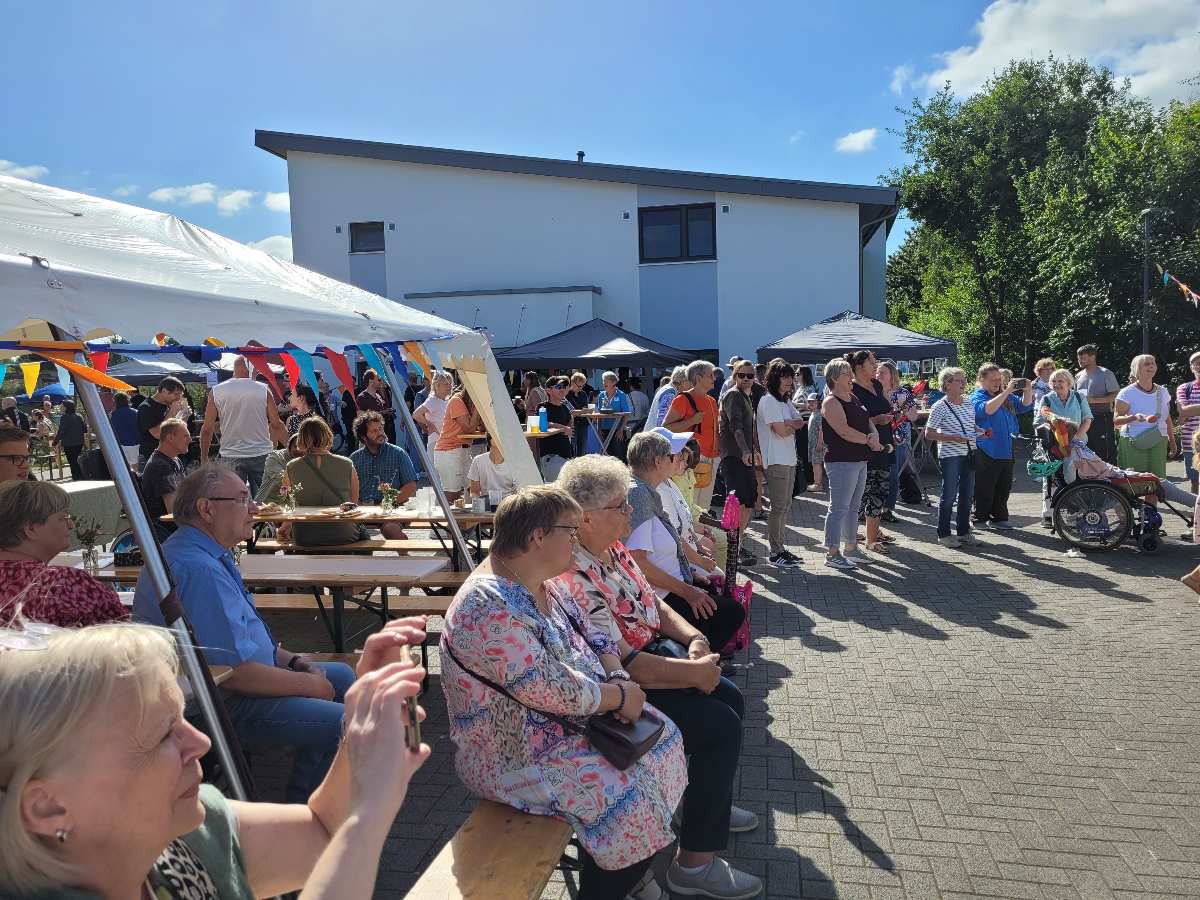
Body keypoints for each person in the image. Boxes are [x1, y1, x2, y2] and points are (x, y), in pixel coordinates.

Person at [0, 618, 431, 900]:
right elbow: (338, 836)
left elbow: (321, 836)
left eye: (180, 718)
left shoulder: (185, 834)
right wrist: (371, 810)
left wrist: (360, 737)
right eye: (161, 734)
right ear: (47, 805)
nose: (199, 743)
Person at [440, 485, 686, 900]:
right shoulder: (485, 606)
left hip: (566, 729)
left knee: (665, 744)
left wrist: (618, 679)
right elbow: (545, 688)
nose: (578, 540)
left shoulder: (540, 580)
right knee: (628, 795)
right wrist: (620, 699)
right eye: (571, 532)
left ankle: (626, 872)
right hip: (509, 753)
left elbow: (592, 628)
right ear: (538, 536)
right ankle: (612, 884)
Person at [554, 455, 764, 900]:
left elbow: (653, 604)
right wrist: (689, 671)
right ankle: (693, 864)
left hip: (650, 657)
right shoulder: (572, 572)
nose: (631, 511)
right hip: (622, 685)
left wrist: (693, 639)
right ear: (586, 518)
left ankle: (699, 807)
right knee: (720, 724)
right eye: (620, 506)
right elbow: (623, 663)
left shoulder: (611, 548)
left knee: (730, 700)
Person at [133, 464, 358, 802]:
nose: (254, 507)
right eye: (242, 499)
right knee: (345, 723)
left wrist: (294, 661)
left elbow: (244, 641)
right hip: (214, 705)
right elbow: (235, 675)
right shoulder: (198, 569)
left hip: (232, 687)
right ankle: (301, 818)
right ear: (206, 509)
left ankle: (309, 792)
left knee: (339, 676)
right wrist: (308, 684)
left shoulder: (203, 554)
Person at [625, 431, 746, 652]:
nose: (679, 458)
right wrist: (687, 590)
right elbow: (636, 562)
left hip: (671, 586)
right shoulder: (640, 495)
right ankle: (697, 664)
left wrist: (692, 575)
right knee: (732, 612)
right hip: (660, 598)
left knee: (719, 595)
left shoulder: (648, 490)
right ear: (658, 461)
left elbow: (670, 537)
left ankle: (700, 659)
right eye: (673, 456)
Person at [0, 480, 127, 628]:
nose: (71, 525)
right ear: (31, 529)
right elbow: (126, 634)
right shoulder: (63, 583)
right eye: (63, 518)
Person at [820, 357, 881, 570]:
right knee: (838, 508)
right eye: (847, 373)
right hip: (841, 462)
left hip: (860, 459)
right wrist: (868, 440)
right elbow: (843, 430)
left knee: (854, 507)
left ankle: (851, 547)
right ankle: (832, 552)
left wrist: (874, 437)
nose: (851, 377)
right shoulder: (830, 402)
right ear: (835, 378)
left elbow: (867, 421)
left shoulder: (852, 396)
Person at [199, 359, 287, 497]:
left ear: (234, 369)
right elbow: (276, 424)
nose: (257, 371)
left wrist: (204, 459)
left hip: (231, 455)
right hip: (261, 452)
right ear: (251, 368)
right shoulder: (263, 389)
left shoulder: (217, 391)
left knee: (232, 501)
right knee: (272, 499)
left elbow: (207, 429)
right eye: (256, 368)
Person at [924, 367, 982, 549]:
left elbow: (971, 426)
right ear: (947, 384)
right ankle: (944, 534)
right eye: (959, 380)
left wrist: (981, 432)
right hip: (950, 456)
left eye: (964, 379)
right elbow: (929, 434)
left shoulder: (968, 403)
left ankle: (964, 532)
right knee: (948, 495)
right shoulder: (939, 406)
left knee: (967, 494)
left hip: (969, 452)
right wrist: (952, 438)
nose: (964, 383)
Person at [971, 362, 1033, 529]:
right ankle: (979, 518)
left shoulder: (1006, 395)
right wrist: (1006, 391)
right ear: (981, 380)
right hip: (987, 447)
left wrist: (1028, 389)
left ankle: (999, 518)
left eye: (999, 379)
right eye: (993, 380)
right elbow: (987, 410)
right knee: (985, 485)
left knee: (1004, 484)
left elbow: (1025, 405)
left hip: (1007, 446)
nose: (997, 383)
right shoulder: (978, 396)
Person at [284, 417, 364, 547]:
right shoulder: (347, 464)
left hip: (304, 535)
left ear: (301, 438)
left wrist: (285, 527)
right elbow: (352, 504)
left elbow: (289, 505)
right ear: (327, 435)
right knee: (365, 535)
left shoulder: (291, 467)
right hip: (343, 533)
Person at [846, 352, 897, 554]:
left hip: (883, 445)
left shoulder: (876, 385)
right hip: (864, 449)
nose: (876, 365)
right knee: (860, 495)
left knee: (879, 492)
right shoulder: (851, 389)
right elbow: (853, 421)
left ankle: (872, 538)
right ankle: (850, 535)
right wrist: (876, 421)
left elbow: (883, 407)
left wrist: (889, 421)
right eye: (871, 362)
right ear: (859, 366)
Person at [756, 359, 803, 567]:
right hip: (776, 461)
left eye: (790, 377)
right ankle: (775, 553)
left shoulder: (785, 401)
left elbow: (799, 421)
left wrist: (789, 424)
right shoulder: (768, 401)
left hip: (789, 460)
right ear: (774, 378)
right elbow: (782, 431)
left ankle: (780, 548)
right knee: (778, 508)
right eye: (784, 377)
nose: (789, 381)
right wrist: (790, 425)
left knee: (784, 506)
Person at [1036, 369, 1093, 526]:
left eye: (1060, 381)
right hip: (1054, 446)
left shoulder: (1079, 397)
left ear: (1069, 382)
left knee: (1073, 476)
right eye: (1054, 381)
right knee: (1050, 477)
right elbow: (1039, 421)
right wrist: (1053, 425)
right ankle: (1048, 514)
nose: (1057, 384)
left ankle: (1073, 510)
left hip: (1077, 443)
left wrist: (1076, 438)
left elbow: (1087, 419)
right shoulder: (1047, 399)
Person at [664, 360, 721, 509]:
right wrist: (691, 421)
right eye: (710, 375)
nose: (714, 378)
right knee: (689, 505)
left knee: (704, 507)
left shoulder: (711, 401)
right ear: (698, 377)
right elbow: (666, 427)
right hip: (691, 458)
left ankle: (701, 532)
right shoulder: (682, 399)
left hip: (711, 458)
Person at [349, 410, 417, 527]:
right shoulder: (354, 458)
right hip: (363, 512)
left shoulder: (398, 453)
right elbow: (347, 489)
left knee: (390, 529)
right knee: (343, 528)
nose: (380, 433)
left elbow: (411, 486)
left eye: (381, 429)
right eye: (375, 431)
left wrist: (388, 504)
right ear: (364, 437)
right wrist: (360, 506)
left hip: (392, 511)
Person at [1114, 354, 1175, 477]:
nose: (1151, 366)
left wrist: (1172, 442)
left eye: (1153, 363)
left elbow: (1167, 418)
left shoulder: (1163, 391)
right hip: (1133, 442)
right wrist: (1134, 417)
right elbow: (1116, 421)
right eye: (1147, 364)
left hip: (1158, 439)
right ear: (1137, 368)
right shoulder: (1126, 393)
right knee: (1135, 483)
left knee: (1157, 482)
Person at [719, 360, 759, 540]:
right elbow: (736, 426)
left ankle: (738, 542)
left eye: (750, 376)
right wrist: (745, 450)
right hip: (734, 457)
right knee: (737, 501)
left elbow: (749, 428)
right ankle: (731, 543)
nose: (746, 379)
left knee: (750, 500)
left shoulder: (745, 396)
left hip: (745, 456)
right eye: (741, 375)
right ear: (734, 376)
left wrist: (754, 449)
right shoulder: (733, 395)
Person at [878, 360, 917, 522]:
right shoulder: (874, 392)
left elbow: (914, 416)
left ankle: (887, 509)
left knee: (892, 474)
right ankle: (872, 508)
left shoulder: (902, 393)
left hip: (897, 439)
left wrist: (904, 412)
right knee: (876, 474)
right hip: (878, 438)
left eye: (882, 372)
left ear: (892, 375)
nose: (878, 375)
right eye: (877, 371)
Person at [140, 418, 190, 532]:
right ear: (170, 438)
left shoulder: (175, 460)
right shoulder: (160, 466)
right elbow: (173, 510)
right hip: (165, 528)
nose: (190, 440)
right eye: (186, 436)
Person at [432, 388, 482, 501]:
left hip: (463, 450)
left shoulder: (470, 404)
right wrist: (478, 406)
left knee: (474, 489)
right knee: (453, 494)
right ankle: (440, 517)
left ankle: (473, 517)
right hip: (449, 451)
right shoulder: (456, 401)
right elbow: (469, 428)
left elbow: (479, 427)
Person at [1076, 344, 1120, 463]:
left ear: (1093, 357)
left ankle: (1110, 478)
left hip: (1102, 418)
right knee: (1087, 451)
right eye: (1078, 358)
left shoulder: (1106, 373)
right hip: (1083, 420)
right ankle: (1091, 479)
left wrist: (1094, 400)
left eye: (1083, 358)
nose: (1080, 360)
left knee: (1105, 451)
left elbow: (1116, 395)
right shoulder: (1078, 376)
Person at [136, 376, 186, 469]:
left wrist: (184, 415)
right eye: (176, 394)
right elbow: (158, 434)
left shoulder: (169, 405)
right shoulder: (146, 407)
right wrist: (172, 413)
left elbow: (177, 430)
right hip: (151, 458)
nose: (178, 398)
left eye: (180, 394)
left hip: (170, 456)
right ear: (164, 391)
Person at [537, 375, 575, 480]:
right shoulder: (542, 407)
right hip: (551, 457)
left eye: (564, 387)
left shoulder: (564, 407)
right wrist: (563, 428)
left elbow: (569, 422)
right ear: (548, 390)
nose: (562, 389)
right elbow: (543, 423)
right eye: (559, 387)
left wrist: (568, 426)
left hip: (566, 456)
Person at [1175, 351, 1200, 494]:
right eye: (1197, 363)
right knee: (1195, 482)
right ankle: (1195, 515)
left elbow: (1185, 410)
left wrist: (1190, 409)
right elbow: (1183, 413)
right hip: (1191, 443)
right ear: (1192, 367)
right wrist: (1185, 411)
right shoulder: (1184, 388)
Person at [413, 370, 453, 453]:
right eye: (446, 384)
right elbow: (416, 414)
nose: (449, 386)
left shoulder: (446, 400)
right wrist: (429, 424)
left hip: (445, 442)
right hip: (436, 443)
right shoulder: (433, 400)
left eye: (450, 384)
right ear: (437, 385)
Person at [256, 432, 302, 504]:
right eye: (295, 446)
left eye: (302, 447)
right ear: (289, 446)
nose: (298, 450)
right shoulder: (275, 457)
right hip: (265, 505)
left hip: (286, 508)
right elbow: (282, 479)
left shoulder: (305, 461)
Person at [596, 370, 633, 456]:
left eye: (607, 381)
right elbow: (599, 413)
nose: (604, 383)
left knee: (618, 454)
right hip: (604, 429)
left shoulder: (621, 394)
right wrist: (598, 428)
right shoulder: (601, 395)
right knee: (606, 454)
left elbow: (626, 413)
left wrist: (621, 429)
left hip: (617, 429)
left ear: (614, 382)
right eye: (603, 380)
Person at [355, 368, 396, 443]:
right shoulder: (362, 397)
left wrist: (387, 411)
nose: (381, 381)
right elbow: (360, 417)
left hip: (385, 433)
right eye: (379, 379)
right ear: (371, 382)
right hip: (372, 437)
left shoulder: (378, 395)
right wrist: (382, 412)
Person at [51, 399, 87, 481]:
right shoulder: (79, 416)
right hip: (79, 442)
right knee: (75, 460)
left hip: (69, 443)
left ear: (66, 407)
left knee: (72, 461)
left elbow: (61, 431)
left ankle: (77, 477)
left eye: (62, 406)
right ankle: (80, 477)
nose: (61, 407)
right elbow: (84, 429)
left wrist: (55, 442)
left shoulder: (64, 417)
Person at [646, 365, 689, 432]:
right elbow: (661, 421)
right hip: (657, 438)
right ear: (683, 381)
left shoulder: (669, 389)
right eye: (690, 381)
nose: (691, 385)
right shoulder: (670, 393)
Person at [109, 391, 141, 467]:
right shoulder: (136, 412)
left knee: (125, 467)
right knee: (136, 467)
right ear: (127, 400)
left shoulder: (111, 415)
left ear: (115, 402)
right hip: (136, 443)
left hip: (120, 444)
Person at [805, 392, 825, 491]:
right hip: (813, 444)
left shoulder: (819, 414)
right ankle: (817, 482)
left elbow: (822, 429)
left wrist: (819, 443)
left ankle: (818, 484)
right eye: (809, 402)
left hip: (817, 444)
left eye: (813, 402)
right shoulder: (813, 413)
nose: (811, 403)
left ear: (819, 402)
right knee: (815, 463)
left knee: (816, 463)